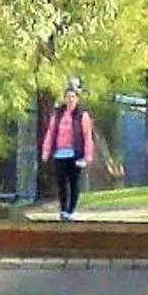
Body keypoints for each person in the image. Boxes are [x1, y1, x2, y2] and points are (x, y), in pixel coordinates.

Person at [39, 80, 95, 220]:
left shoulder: (82, 115)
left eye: (73, 97)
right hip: (60, 154)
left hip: (75, 154)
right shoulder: (57, 115)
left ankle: (71, 210)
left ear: (77, 99)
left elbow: (87, 136)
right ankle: (63, 209)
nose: (70, 100)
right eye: (68, 97)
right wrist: (46, 152)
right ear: (64, 99)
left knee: (73, 182)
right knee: (61, 183)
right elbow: (51, 133)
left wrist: (87, 156)